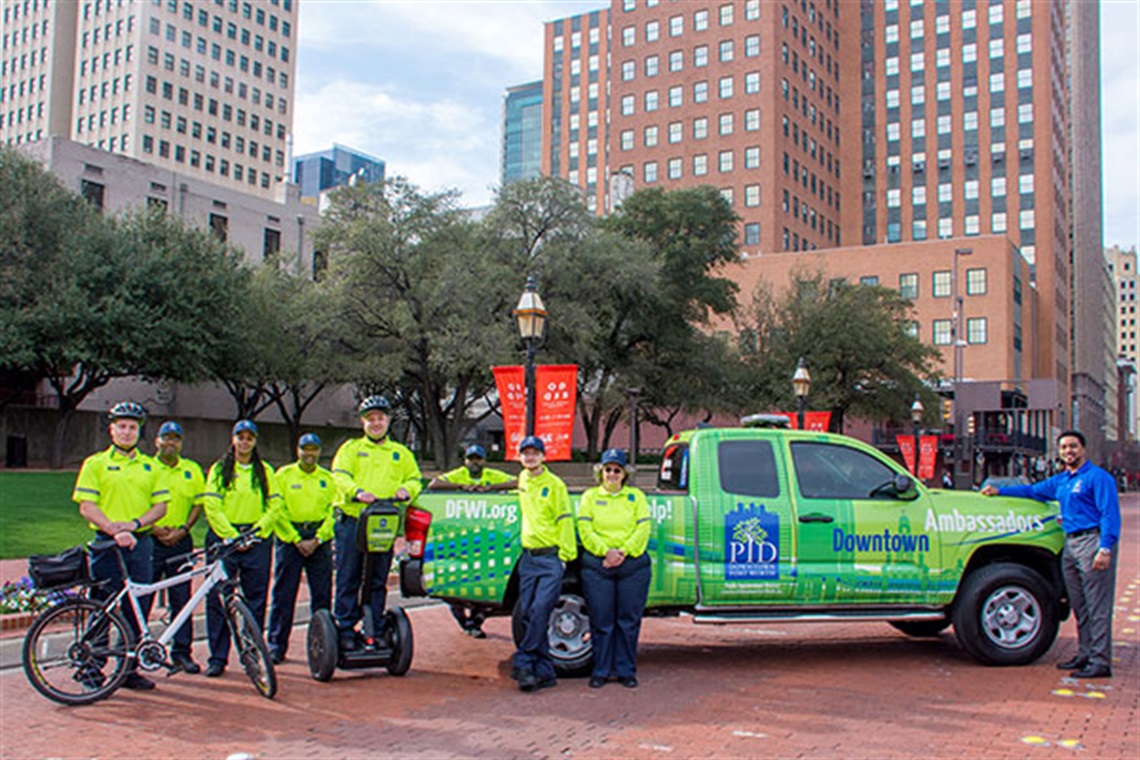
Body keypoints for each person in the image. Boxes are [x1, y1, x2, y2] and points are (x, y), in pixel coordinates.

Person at [981, 430, 1121, 678]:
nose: (1069, 451)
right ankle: (1085, 654)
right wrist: (999, 492)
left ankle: (1100, 662)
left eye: (1073, 447)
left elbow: (1109, 514)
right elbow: (1032, 491)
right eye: (1064, 448)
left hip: (1092, 541)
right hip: (1070, 544)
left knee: (1097, 605)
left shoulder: (1098, 478)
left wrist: (1105, 548)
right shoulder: (1062, 481)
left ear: (1083, 449)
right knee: (1081, 605)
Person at [73, 401, 169, 691]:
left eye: (132, 427)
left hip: (140, 543)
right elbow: (87, 507)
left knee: (137, 606)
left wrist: (135, 525)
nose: (127, 432)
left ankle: (127, 669)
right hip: (107, 543)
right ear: (112, 429)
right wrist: (114, 529)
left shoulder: (151, 466)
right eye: (122, 426)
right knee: (103, 605)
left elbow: (161, 506)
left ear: (140, 432)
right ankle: (90, 669)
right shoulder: (95, 463)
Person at [330, 396, 423, 651]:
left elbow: (415, 479)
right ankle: (347, 628)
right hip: (354, 521)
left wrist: (406, 490)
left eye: (380, 418)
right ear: (363, 422)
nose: (376, 423)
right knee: (349, 575)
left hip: (383, 523)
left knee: (377, 577)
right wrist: (358, 492)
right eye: (370, 419)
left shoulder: (400, 453)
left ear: (388, 421)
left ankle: (376, 627)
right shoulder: (350, 449)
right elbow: (339, 476)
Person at [201, 419, 282, 678]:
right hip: (225, 540)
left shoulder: (265, 471)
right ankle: (217, 657)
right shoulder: (220, 469)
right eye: (240, 437)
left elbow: (275, 506)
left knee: (256, 598)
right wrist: (232, 536)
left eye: (249, 437)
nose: (245, 442)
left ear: (255, 441)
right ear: (233, 439)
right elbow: (212, 505)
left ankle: (251, 652)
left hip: (256, 539)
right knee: (218, 599)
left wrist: (257, 531)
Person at [577, 448, 652, 689]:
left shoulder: (636, 497)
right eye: (608, 469)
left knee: (628, 621)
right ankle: (600, 671)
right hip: (598, 565)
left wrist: (623, 552)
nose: (612, 474)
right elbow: (585, 530)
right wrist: (605, 552)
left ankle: (625, 671)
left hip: (632, 565)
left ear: (624, 474)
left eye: (616, 470)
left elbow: (642, 529)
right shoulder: (589, 497)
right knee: (602, 621)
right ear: (601, 471)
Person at [429, 443, 517, 638]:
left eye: (478, 459)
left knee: (487, 583)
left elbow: (518, 482)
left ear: (484, 460)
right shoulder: (459, 474)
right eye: (471, 459)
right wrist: (461, 487)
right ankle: (465, 622)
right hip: (460, 533)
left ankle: (475, 621)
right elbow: (434, 484)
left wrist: (492, 488)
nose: (474, 463)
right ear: (465, 460)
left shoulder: (492, 474)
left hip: (485, 533)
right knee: (454, 589)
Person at [510, 436, 577, 693]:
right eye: (525, 454)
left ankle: (524, 662)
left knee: (540, 610)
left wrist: (564, 557)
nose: (530, 458)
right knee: (527, 611)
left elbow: (564, 520)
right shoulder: (522, 480)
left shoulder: (555, 485)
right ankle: (545, 671)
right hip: (529, 557)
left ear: (543, 456)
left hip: (550, 558)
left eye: (534, 453)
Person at [266, 433, 336, 664]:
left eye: (314, 449)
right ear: (298, 450)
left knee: (322, 597)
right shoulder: (283, 475)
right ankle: (276, 645)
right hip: (290, 541)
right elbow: (277, 509)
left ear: (319, 451)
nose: (310, 453)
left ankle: (323, 644)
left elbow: (332, 512)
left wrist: (318, 539)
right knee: (283, 596)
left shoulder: (328, 478)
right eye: (305, 449)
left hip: (319, 541)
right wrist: (296, 539)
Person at [150, 420, 205, 674]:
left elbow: (198, 503)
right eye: (166, 437)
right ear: (156, 441)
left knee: (182, 598)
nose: (170, 442)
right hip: (150, 539)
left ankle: (182, 652)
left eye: (175, 438)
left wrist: (183, 530)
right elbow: (138, 503)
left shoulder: (192, 469)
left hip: (181, 540)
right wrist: (154, 529)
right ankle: (132, 655)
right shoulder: (146, 468)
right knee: (142, 598)